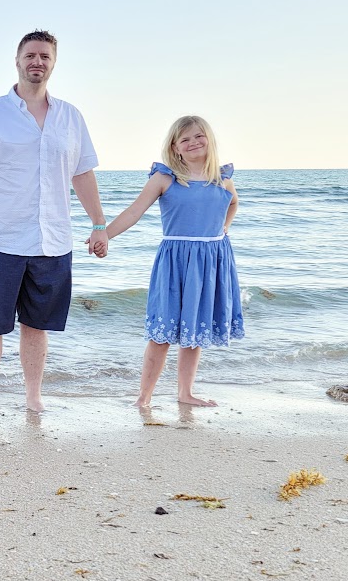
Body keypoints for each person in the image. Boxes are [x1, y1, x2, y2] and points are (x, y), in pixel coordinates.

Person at [0, 30, 109, 414]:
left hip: (53, 240)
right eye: (31, 55)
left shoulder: (71, 117)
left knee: (38, 325)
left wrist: (99, 225)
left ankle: (33, 398)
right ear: (17, 60)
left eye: (45, 56)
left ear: (53, 63)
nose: (38, 62)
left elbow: (82, 174)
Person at [104, 115, 243, 407]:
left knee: (195, 330)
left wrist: (224, 228)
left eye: (198, 136)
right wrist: (103, 235)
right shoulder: (165, 177)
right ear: (175, 146)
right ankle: (144, 397)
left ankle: (185, 393)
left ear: (209, 139)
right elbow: (134, 212)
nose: (193, 143)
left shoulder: (222, 177)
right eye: (185, 139)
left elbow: (232, 203)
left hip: (212, 259)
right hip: (176, 261)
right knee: (162, 333)